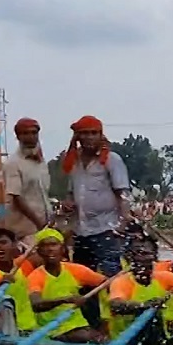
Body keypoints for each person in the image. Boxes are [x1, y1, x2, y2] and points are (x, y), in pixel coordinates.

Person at [60, 115, 130, 279]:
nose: (89, 137)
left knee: (111, 280)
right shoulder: (73, 161)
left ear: (100, 135)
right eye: (85, 133)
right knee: (84, 280)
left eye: (93, 133)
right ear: (78, 137)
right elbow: (71, 193)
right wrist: (68, 204)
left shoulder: (112, 159)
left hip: (106, 229)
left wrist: (122, 225)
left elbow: (124, 194)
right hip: (81, 231)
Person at [26, 228, 108, 343]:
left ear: (63, 249)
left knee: (104, 340)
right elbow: (36, 305)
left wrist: (105, 318)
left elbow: (107, 283)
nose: (50, 249)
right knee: (90, 339)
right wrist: (65, 300)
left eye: (54, 244)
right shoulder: (35, 277)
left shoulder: (75, 270)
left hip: (78, 325)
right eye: (44, 246)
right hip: (51, 330)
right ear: (39, 251)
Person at [108, 234, 173, 345]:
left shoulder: (165, 278)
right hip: (125, 344)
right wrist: (144, 305)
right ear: (129, 257)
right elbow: (115, 305)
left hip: (158, 338)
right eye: (137, 253)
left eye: (145, 253)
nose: (140, 257)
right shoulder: (121, 282)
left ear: (154, 256)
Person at [1, 118, 53, 241]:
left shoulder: (40, 162)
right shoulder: (13, 164)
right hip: (25, 231)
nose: (30, 137)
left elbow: (43, 195)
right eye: (25, 133)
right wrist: (39, 223)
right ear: (18, 137)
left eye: (34, 133)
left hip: (44, 227)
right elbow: (17, 198)